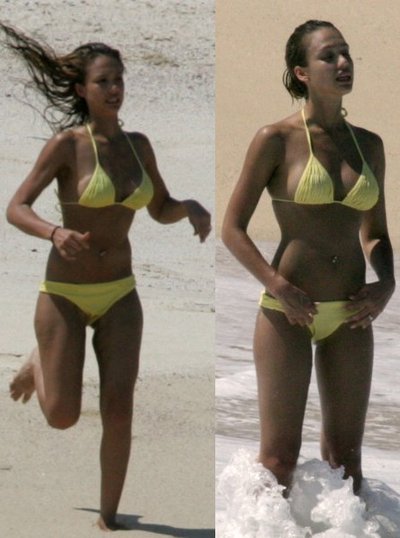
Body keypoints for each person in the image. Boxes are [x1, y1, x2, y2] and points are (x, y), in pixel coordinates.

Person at [2, 23, 211, 531]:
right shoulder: (67, 146)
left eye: (118, 79)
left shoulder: (139, 145)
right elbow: (16, 207)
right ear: (81, 89)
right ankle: (40, 360)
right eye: (103, 81)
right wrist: (54, 232)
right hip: (65, 293)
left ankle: (110, 518)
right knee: (62, 416)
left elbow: (159, 206)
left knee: (120, 409)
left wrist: (189, 207)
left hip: (121, 292)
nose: (114, 89)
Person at [222, 20, 395, 495]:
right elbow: (232, 228)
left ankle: (346, 528)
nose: (343, 63)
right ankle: (256, 527)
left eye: (346, 53)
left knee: (347, 463)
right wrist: (277, 285)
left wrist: (387, 282)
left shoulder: (369, 145)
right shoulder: (275, 139)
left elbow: (376, 234)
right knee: (278, 460)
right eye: (329, 56)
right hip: (288, 312)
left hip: (352, 314)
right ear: (302, 72)